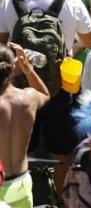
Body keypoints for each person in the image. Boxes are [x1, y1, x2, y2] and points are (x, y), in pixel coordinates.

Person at [0, 0, 91, 193]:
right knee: (62, 150)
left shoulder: (10, 3)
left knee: (22, 145)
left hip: (21, 89)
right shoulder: (71, 3)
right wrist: (69, 49)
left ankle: (24, 189)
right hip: (60, 86)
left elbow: (2, 45)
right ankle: (61, 196)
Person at [0, 43, 49, 208]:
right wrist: (28, 69)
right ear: (12, 69)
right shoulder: (29, 98)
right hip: (21, 183)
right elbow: (45, 94)